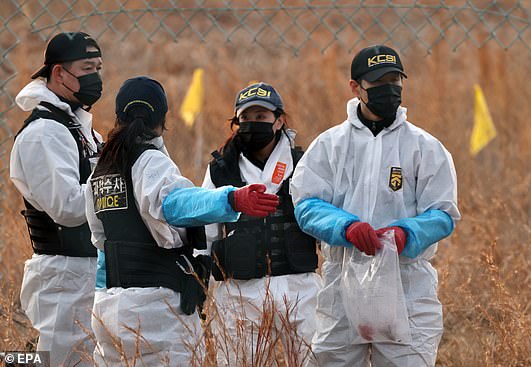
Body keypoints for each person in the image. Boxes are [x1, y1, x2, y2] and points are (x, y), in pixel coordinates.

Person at [85, 76, 279, 365]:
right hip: (153, 309)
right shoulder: (150, 162)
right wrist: (230, 200)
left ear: (118, 116)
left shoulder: (100, 171)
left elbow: (101, 242)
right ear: (162, 119)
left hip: (107, 307)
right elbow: (174, 205)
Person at [290, 45, 461, 366]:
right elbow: (306, 203)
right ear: (356, 87)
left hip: (406, 283)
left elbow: (443, 214)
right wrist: (347, 227)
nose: (389, 90)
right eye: (379, 83)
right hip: (343, 281)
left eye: (395, 81)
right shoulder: (329, 145)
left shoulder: (425, 147)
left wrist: (405, 234)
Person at [202, 82, 320, 366]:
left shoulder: (302, 164)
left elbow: (321, 221)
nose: (253, 124)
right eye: (246, 118)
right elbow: (204, 231)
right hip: (241, 292)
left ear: (278, 121)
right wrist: (199, 285)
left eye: (261, 117)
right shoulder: (220, 170)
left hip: (299, 287)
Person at [9, 31, 104, 366]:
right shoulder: (44, 132)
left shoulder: (79, 127)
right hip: (65, 275)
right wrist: (110, 173)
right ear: (59, 73)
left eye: (98, 67)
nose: (95, 77)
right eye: (86, 68)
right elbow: (68, 208)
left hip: (91, 271)